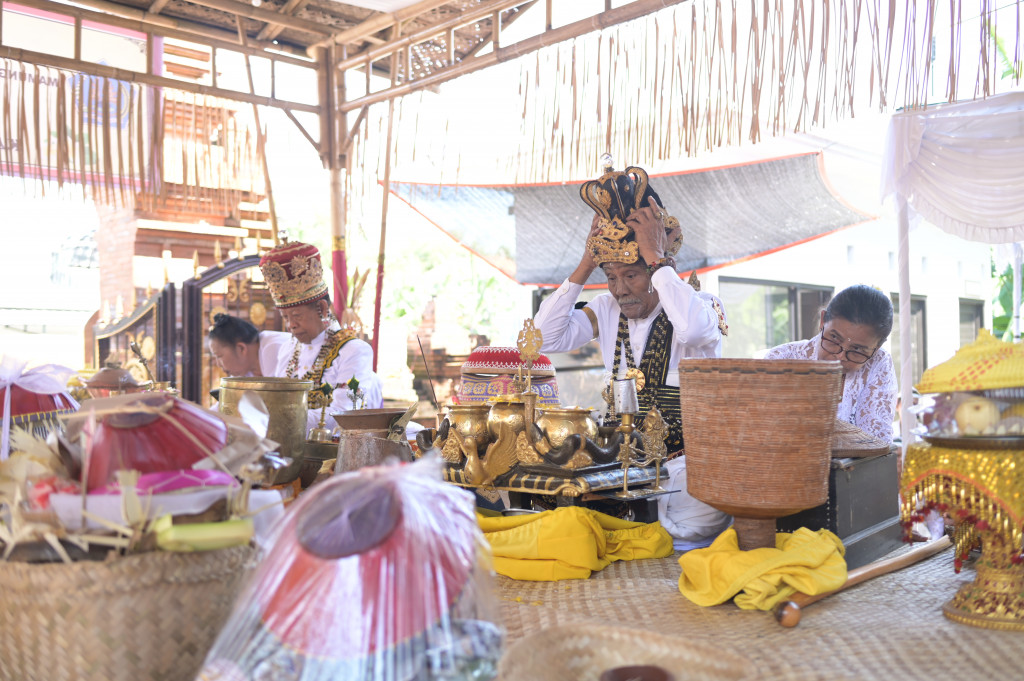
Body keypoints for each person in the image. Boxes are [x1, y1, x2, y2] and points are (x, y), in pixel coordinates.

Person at [533, 162, 731, 548]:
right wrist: (587, 263)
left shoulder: (702, 305)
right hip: (619, 471)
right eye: (611, 276)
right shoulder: (606, 309)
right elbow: (543, 339)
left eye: (632, 275)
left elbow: (690, 329)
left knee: (673, 537)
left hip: (689, 474)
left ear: (658, 268)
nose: (620, 289)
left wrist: (656, 258)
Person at [259, 240, 383, 433]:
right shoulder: (287, 349)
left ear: (323, 309)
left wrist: (274, 419)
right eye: (285, 317)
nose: (291, 325)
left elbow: (345, 416)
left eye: (297, 316)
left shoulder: (354, 351)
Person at [764, 284, 898, 444]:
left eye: (857, 349)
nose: (840, 356)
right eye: (834, 338)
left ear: (876, 349)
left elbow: (875, 443)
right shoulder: (781, 359)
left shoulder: (878, 363)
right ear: (823, 320)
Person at [207, 313, 291, 378]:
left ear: (241, 349)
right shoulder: (244, 368)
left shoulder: (274, 348)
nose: (218, 364)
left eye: (219, 356)